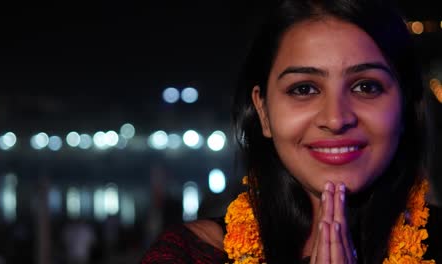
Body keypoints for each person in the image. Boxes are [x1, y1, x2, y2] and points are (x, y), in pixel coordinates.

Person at [141, 0, 442, 263]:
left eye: (366, 86)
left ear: (406, 106)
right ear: (263, 112)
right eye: (304, 89)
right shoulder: (191, 255)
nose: (336, 119)